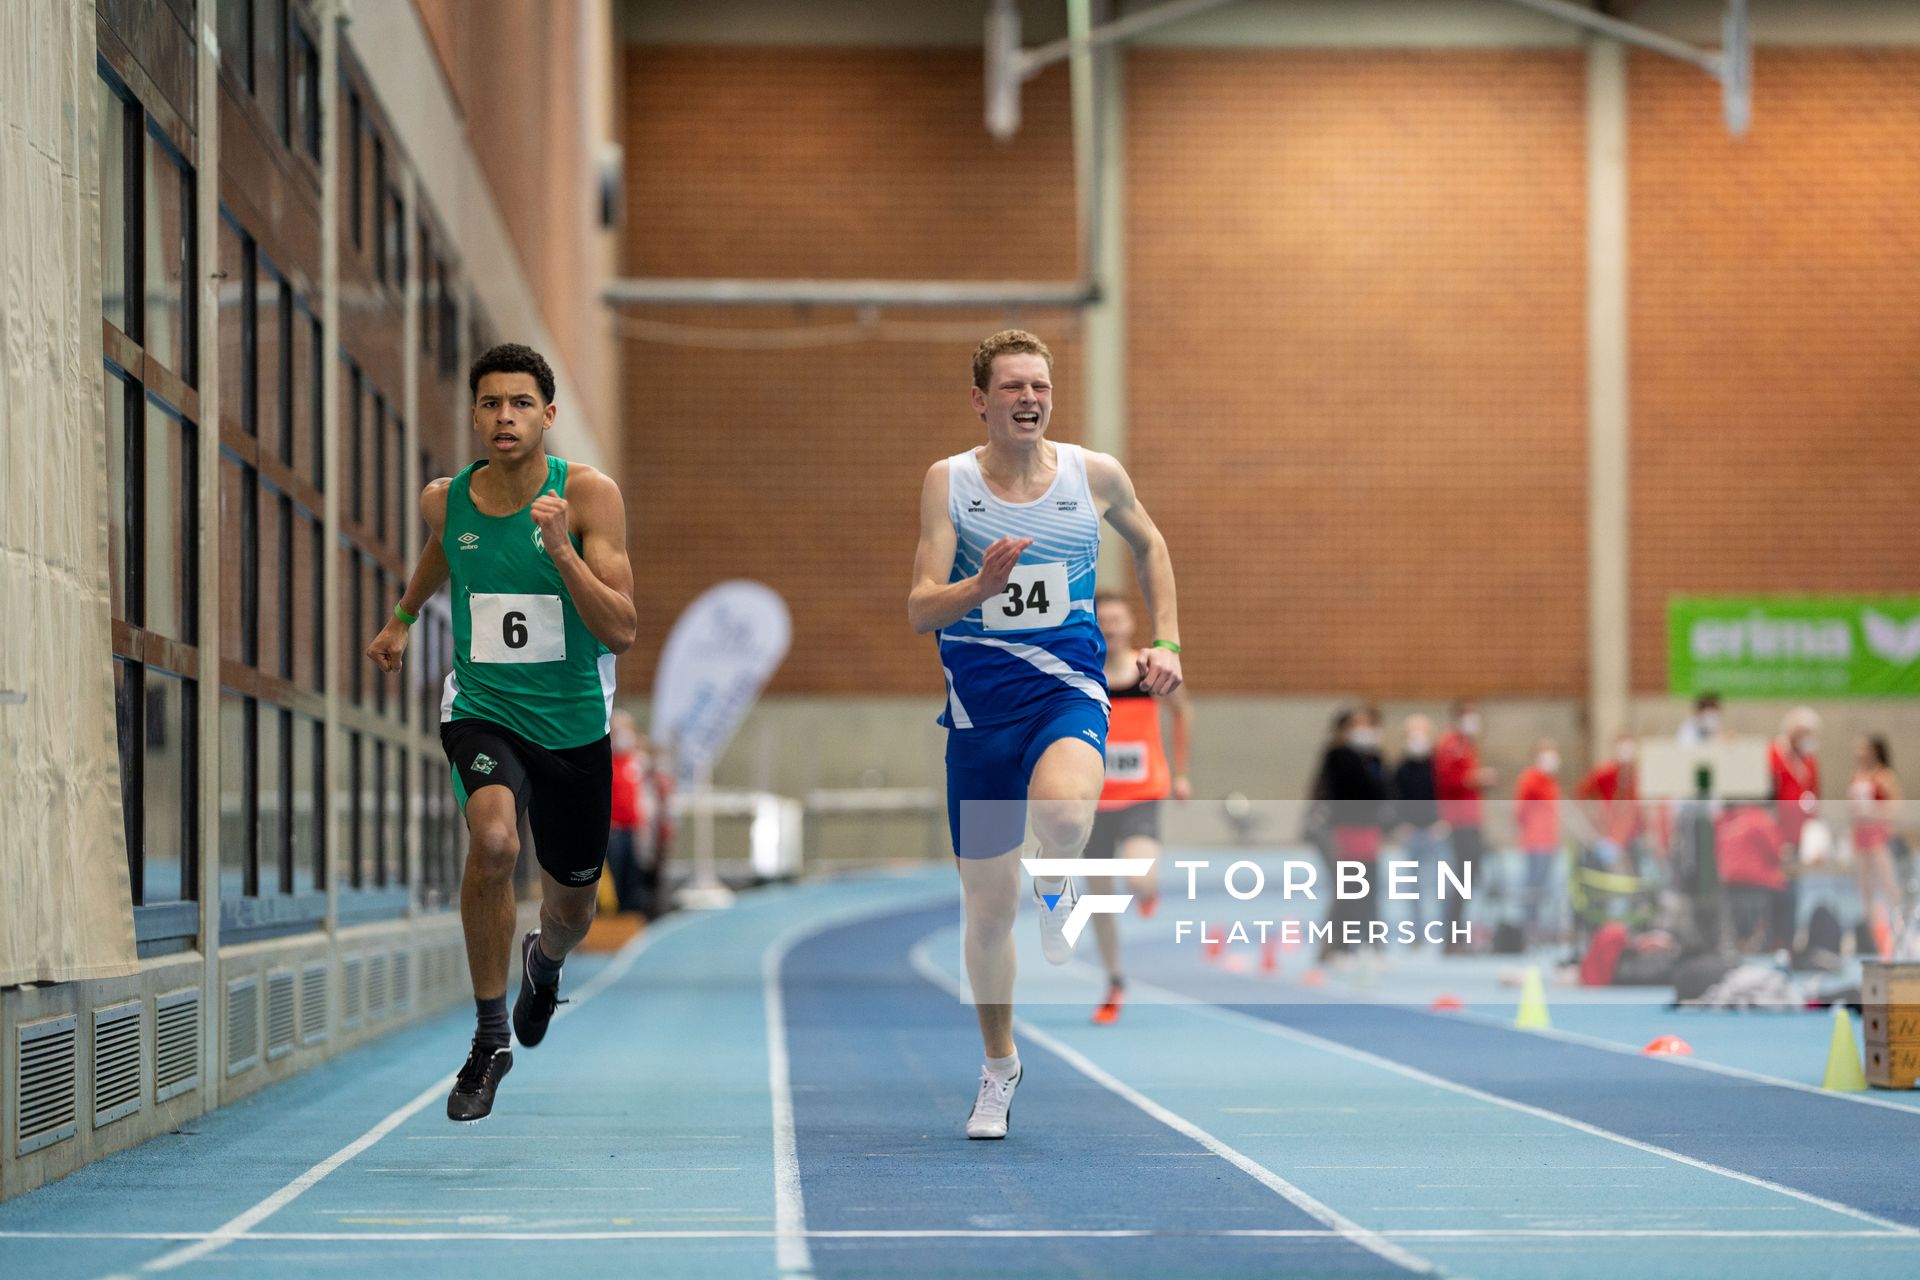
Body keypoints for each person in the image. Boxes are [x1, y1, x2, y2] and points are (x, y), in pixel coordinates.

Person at [908, 330, 1182, 1139]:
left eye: (1041, 387)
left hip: (1066, 689)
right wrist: (977, 584)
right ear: (981, 400)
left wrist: (1164, 639)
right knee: (986, 914)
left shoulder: (1092, 475)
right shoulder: (948, 484)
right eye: (1014, 387)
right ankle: (999, 1067)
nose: (1030, 399)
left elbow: (1151, 543)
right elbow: (919, 607)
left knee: (1063, 813)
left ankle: (1058, 871)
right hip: (978, 714)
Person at [366, 343, 636, 1122]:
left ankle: (543, 964)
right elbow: (445, 549)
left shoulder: (588, 498)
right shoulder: (444, 500)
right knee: (492, 844)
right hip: (483, 707)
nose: (504, 417)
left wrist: (562, 554)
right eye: (490, 404)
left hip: (575, 726)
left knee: (572, 911)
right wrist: (401, 618)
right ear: (475, 415)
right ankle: (489, 1041)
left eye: (521, 403)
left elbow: (621, 630)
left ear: (548, 416)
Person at [1084, 593, 1191, 1025]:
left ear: (1129, 624)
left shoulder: (1149, 670)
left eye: (1116, 619)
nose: (1109, 627)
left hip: (1142, 794)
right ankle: (1114, 981)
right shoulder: (1082, 671)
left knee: (1138, 875)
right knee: (1100, 899)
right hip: (1091, 800)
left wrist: (1182, 772)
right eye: (1102, 621)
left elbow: (1183, 713)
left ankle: (1148, 891)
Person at [1316, 708, 1390, 961]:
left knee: (1370, 889)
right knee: (1348, 890)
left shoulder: (1374, 757)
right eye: (1357, 726)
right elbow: (1351, 789)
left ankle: (1369, 944)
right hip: (1345, 830)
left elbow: (1385, 791)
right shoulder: (1338, 756)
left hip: (1369, 831)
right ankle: (1338, 946)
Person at [1434, 701, 1496, 952]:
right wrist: (1477, 778)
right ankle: (1452, 937)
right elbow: (1448, 779)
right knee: (1462, 880)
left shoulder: (1467, 746)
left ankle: (1462, 933)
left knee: (1470, 879)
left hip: (1471, 820)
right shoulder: (1452, 744)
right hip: (1460, 822)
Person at [1391, 715, 1447, 941]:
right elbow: (1394, 799)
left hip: (1436, 832)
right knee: (1413, 889)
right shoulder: (1401, 768)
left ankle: (1444, 933)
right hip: (1411, 833)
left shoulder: (1437, 765)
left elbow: (1445, 794)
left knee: (1440, 886)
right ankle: (1415, 934)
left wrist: (1444, 821)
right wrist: (1399, 826)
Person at [1848, 735, 1904, 956]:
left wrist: (1880, 819)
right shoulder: (1857, 776)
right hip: (1860, 837)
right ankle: (1872, 937)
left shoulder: (1884, 776)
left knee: (1889, 886)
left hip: (1878, 836)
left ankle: (1900, 931)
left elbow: (1895, 805)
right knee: (1866, 891)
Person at [1511, 739, 1563, 946]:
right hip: (1534, 842)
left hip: (1550, 841)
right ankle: (1529, 927)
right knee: (1532, 886)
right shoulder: (1530, 779)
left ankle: (1539, 927)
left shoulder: (1552, 781)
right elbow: (1519, 810)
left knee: (1543, 887)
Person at [606, 711, 652, 914]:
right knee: (615, 874)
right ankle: (614, 915)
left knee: (633, 875)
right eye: (618, 731)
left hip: (634, 829)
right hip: (614, 830)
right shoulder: (608, 762)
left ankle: (632, 913)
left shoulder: (637, 761)